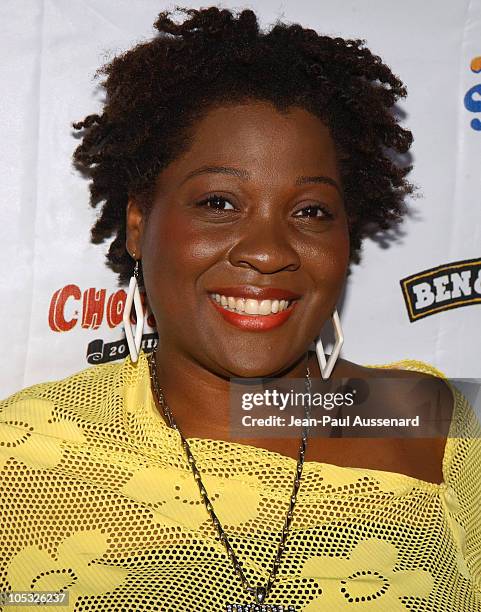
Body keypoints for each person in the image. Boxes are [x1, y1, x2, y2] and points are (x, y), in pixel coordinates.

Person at [0, 6, 479, 611]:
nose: (268, 252)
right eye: (220, 202)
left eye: (311, 212)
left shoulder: (424, 421)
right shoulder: (20, 457)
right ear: (137, 222)